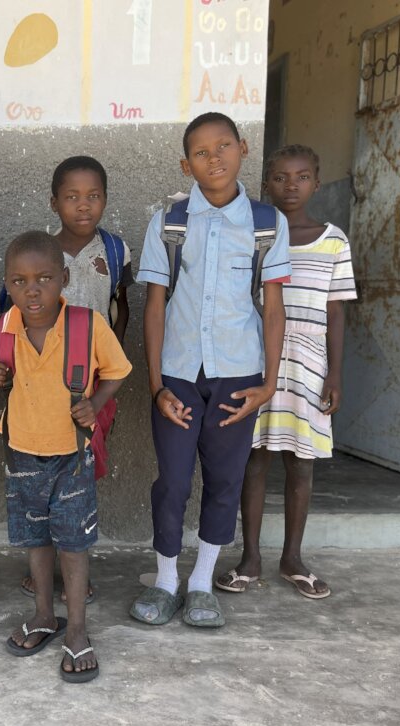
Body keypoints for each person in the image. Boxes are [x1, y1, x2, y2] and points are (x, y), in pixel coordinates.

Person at [130, 111, 291, 628]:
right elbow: (155, 306)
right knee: (173, 481)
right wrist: (155, 385)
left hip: (239, 375)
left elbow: (272, 307)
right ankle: (165, 580)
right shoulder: (169, 222)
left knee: (225, 479)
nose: (214, 157)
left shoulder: (267, 224)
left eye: (224, 146)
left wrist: (267, 383)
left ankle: (201, 582)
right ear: (186, 163)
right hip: (177, 373)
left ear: (243, 148)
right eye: (201, 152)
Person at [0, 231, 131, 682]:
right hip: (22, 451)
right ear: (7, 284)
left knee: (73, 543)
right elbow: (3, 378)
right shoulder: (1, 330)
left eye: (45, 278)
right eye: (20, 281)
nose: (33, 290)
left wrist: (96, 401)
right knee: (34, 539)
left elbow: (117, 371)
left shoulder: (87, 326)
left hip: (71, 453)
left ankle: (78, 631)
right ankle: (45, 615)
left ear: (64, 279)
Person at [215, 145, 356, 600]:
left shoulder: (333, 240)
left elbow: (336, 312)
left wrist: (334, 374)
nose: (290, 186)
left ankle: (292, 557)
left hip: (309, 366)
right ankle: (250, 557)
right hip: (255, 362)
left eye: (300, 177)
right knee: (254, 459)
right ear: (266, 184)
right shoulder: (254, 234)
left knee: (301, 463)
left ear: (316, 181)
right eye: (279, 178)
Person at [19, 155, 134, 604]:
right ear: (54, 203)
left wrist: (113, 359)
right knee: (43, 481)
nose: (83, 206)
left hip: (95, 390)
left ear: (105, 200)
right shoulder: (41, 254)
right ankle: (44, 570)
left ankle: (75, 569)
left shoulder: (116, 250)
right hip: (46, 390)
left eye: (93, 196)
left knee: (82, 479)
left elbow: (122, 305)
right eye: (71, 197)